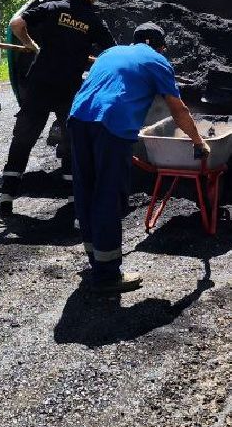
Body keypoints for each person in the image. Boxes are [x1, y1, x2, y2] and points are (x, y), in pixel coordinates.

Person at [67, 22, 210, 292]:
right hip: (111, 123)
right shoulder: (157, 60)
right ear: (158, 46)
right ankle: (107, 275)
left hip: (77, 118)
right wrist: (198, 141)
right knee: (108, 195)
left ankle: (96, 261)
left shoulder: (110, 53)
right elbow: (178, 110)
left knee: (86, 190)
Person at [0, 0, 115, 215]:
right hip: (68, 88)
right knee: (73, 139)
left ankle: (7, 196)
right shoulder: (93, 20)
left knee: (23, 138)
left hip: (39, 84)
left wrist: (30, 44)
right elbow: (113, 54)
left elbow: (16, 24)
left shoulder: (52, 8)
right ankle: (73, 197)